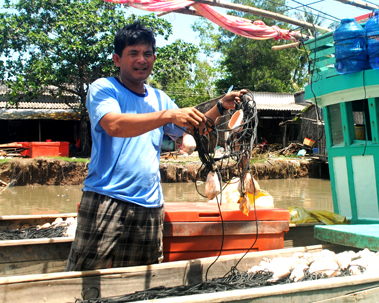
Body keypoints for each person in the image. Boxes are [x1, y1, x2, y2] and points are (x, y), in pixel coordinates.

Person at [65, 21, 246, 271]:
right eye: (133, 53)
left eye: (147, 53)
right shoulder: (104, 88)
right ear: (117, 59)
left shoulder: (160, 98)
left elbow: (194, 130)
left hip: (150, 205)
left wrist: (220, 107)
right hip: (106, 198)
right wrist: (167, 116)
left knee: (142, 280)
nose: (142, 60)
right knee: (86, 276)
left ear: (154, 57)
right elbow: (114, 125)